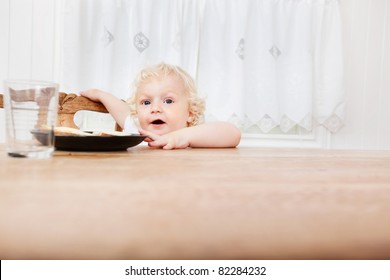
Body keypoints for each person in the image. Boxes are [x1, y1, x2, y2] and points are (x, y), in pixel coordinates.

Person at [80, 63, 241, 149]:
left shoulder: (195, 135)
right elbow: (122, 112)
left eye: (168, 101)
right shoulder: (141, 131)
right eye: (146, 102)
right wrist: (100, 94)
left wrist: (183, 138)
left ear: (190, 113)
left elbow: (233, 133)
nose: (155, 108)